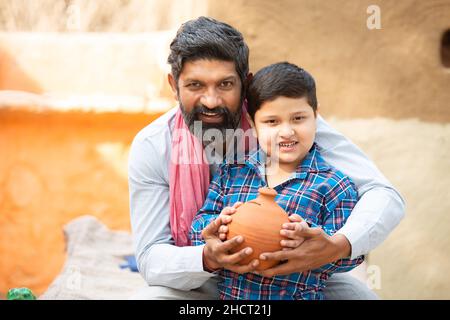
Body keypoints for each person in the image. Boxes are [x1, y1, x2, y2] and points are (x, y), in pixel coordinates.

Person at [128, 16, 405, 299]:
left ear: (245, 84)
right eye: (195, 85)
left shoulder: (284, 122)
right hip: (202, 277)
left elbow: (383, 194)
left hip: (296, 277)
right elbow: (151, 257)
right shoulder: (153, 146)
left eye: (225, 84)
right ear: (174, 85)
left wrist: (338, 245)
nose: (211, 101)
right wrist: (209, 257)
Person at [189, 62, 364, 300]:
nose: (287, 132)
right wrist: (219, 227)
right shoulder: (233, 171)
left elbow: (351, 258)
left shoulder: (334, 185)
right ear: (252, 123)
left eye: (298, 118)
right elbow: (199, 225)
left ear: (316, 115)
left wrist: (311, 240)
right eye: (272, 122)